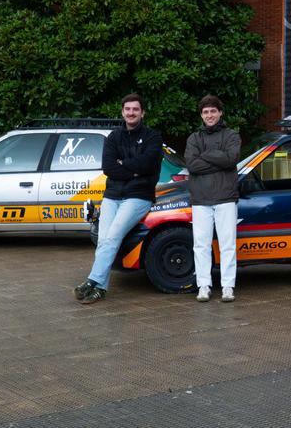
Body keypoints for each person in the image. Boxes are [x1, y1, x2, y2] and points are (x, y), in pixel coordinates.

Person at [74, 93, 163, 304]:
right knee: (104, 241)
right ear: (123, 112)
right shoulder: (113, 137)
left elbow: (148, 165)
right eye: (127, 109)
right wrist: (132, 169)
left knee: (113, 237)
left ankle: (92, 281)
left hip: (138, 196)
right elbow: (109, 168)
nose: (131, 113)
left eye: (135, 109)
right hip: (112, 196)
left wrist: (124, 165)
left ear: (142, 112)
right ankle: (99, 290)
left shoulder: (153, 137)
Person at [185, 95, 241, 303]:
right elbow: (192, 165)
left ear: (220, 113)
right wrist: (219, 158)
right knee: (201, 245)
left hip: (226, 197)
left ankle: (228, 286)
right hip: (200, 199)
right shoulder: (194, 138)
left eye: (213, 111)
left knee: (227, 245)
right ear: (201, 115)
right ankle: (204, 286)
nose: (209, 115)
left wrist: (205, 155)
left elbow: (231, 159)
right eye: (205, 112)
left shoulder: (231, 135)